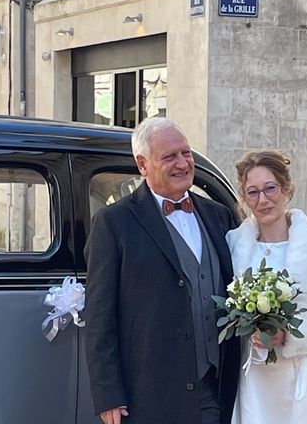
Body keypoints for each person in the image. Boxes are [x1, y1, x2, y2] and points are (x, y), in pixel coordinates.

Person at [84, 117, 240, 424]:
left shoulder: (218, 215)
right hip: (149, 393)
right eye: (169, 156)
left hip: (214, 386)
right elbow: (99, 316)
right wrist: (108, 395)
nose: (182, 163)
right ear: (142, 165)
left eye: (186, 153)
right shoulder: (114, 222)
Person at [227, 150, 307, 424]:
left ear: (285, 188)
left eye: (270, 188)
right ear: (245, 198)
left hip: (299, 383)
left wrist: (290, 337)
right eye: (253, 192)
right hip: (248, 382)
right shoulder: (232, 247)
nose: (263, 199)